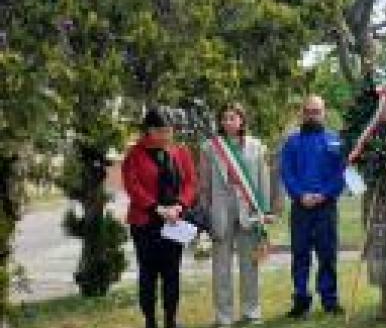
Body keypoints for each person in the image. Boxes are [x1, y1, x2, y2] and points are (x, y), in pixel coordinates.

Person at [199, 103, 275, 326]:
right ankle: (223, 316)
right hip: (220, 210)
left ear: (242, 120)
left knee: (249, 265)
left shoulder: (257, 146)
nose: (228, 122)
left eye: (233, 118)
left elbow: (263, 180)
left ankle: (251, 312)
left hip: (249, 210)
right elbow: (204, 184)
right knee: (221, 267)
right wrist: (204, 213)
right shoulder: (209, 147)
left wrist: (265, 210)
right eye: (224, 118)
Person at [122, 107, 198, 328]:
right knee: (148, 274)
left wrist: (180, 205)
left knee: (172, 272)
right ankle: (150, 321)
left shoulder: (180, 152)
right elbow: (132, 187)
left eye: (170, 131)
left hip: (175, 222)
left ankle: (171, 320)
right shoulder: (134, 155)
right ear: (149, 131)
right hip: (145, 223)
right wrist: (157, 208)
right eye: (162, 131)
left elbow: (191, 183)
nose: (168, 135)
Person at [280, 95, 346, 319]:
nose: (311, 115)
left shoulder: (335, 141)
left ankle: (329, 300)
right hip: (301, 208)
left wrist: (325, 194)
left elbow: (341, 173)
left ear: (323, 113)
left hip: (326, 207)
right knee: (300, 256)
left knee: (327, 255)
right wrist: (300, 195)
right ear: (302, 113)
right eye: (308, 111)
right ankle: (300, 300)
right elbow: (287, 172)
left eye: (316, 111)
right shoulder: (292, 142)